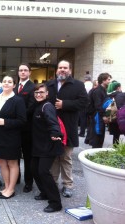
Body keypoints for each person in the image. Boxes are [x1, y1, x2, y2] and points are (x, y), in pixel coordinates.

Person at [47, 60, 88, 198]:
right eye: (60, 67)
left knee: (65, 157)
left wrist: (65, 104)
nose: (62, 70)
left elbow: (84, 103)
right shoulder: (50, 84)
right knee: (53, 157)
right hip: (52, 127)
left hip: (68, 127)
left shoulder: (78, 85)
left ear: (70, 70)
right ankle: (53, 183)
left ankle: (67, 185)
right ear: (56, 70)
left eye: (65, 68)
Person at [0, 75, 26, 199]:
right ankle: (6, 186)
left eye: (9, 82)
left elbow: (22, 121)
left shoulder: (18, 100)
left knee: (12, 163)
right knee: (1, 162)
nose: (6, 83)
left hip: (11, 137)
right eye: (4, 81)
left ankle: (11, 189)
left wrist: (6, 122)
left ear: (14, 85)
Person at [31, 83, 64, 213]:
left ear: (47, 94)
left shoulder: (47, 106)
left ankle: (56, 203)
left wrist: (56, 133)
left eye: (41, 93)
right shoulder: (37, 105)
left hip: (49, 145)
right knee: (34, 169)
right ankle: (45, 193)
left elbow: (53, 122)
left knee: (43, 172)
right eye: (36, 93)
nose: (39, 95)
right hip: (38, 146)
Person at [14, 63, 35, 193]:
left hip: (27, 128)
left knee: (28, 157)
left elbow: (31, 107)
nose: (22, 72)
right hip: (15, 129)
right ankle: (16, 177)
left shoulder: (32, 87)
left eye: (25, 70)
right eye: (20, 70)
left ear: (29, 72)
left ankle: (28, 182)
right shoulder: (15, 87)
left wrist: (18, 116)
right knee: (15, 155)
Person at [89, 73, 112, 148]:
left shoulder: (103, 90)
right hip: (97, 117)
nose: (109, 81)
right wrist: (104, 116)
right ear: (103, 80)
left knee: (100, 137)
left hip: (99, 116)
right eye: (108, 79)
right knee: (97, 138)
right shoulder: (98, 91)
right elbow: (98, 106)